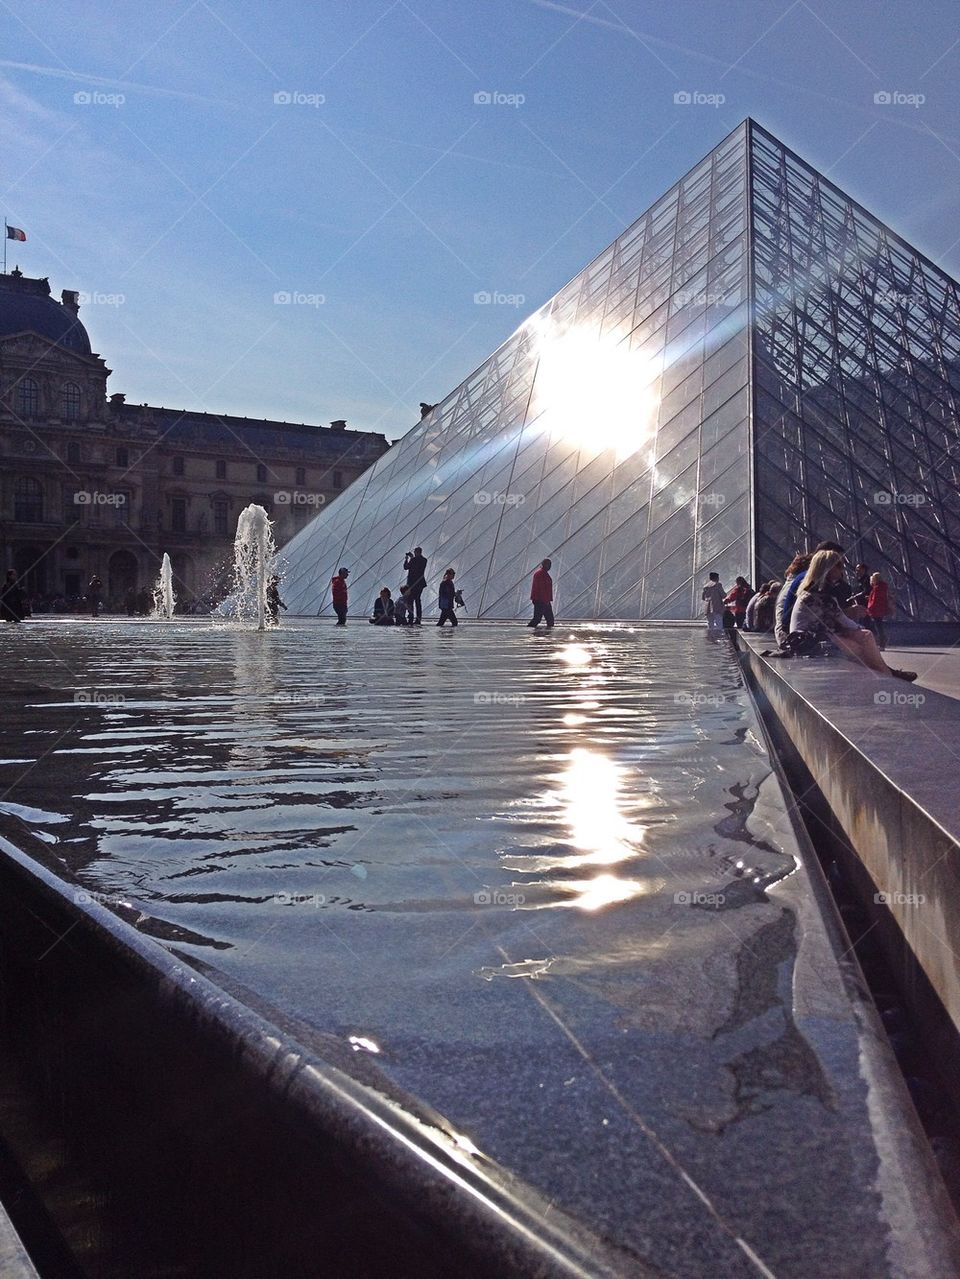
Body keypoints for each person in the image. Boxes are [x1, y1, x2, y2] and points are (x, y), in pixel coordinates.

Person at [790, 550, 915, 680]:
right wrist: (859, 627)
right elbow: (842, 620)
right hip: (810, 640)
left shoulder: (813, 589)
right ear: (828, 567)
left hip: (811, 637)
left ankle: (885, 676)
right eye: (838, 565)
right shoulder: (820, 594)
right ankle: (887, 677)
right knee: (861, 644)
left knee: (863, 639)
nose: (842, 570)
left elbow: (836, 619)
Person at [774, 541, 845, 646]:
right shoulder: (811, 581)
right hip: (793, 637)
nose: (842, 568)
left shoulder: (805, 577)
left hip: (790, 632)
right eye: (838, 563)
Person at [866, 572, 891, 650]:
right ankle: (882, 642)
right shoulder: (883, 587)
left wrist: (869, 608)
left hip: (876, 610)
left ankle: (881, 643)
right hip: (881, 609)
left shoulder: (877, 588)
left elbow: (875, 600)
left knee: (878, 627)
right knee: (879, 626)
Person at [404, 547, 428, 624]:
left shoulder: (413, 560)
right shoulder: (424, 560)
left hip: (412, 583)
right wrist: (412, 558)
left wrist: (407, 559)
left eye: (414, 552)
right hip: (420, 583)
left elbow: (406, 567)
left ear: (416, 552)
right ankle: (418, 618)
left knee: (410, 600)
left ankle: (410, 618)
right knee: (418, 601)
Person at [528, 558, 554, 628]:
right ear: (544, 564)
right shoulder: (540, 574)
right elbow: (541, 588)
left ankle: (542, 635)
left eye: (550, 564)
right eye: (548, 564)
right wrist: (546, 601)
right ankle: (529, 631)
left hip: (543, 600)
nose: (550, 566)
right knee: (539, 619)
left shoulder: (542, 573)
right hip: (541, 600)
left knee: (547, 619)